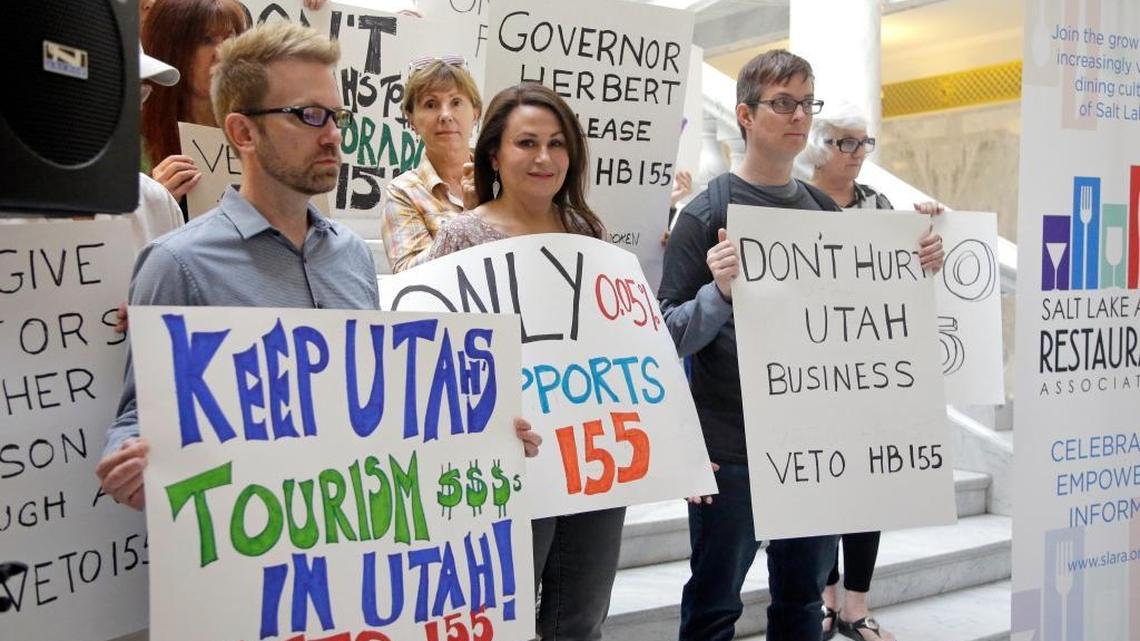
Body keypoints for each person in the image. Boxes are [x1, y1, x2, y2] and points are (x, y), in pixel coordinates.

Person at [95, 23, 541, 511]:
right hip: (251, 535)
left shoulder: (351, 255)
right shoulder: (177, 265)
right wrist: (131, 462)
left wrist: (484, 433)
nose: (332, 136)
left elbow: (382, 403)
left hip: (351, 532)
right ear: (243, 132)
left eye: (335, 115)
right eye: (308, 116)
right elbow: (139, 417)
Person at [658, 50, 945, 641]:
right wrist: (719, 292)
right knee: (713, 606)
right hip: (731, 448)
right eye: (782, 103)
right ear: (744, 115)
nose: (798, 116)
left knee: (801, 604)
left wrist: (915, 267)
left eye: (806, 103)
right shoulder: (706, 212)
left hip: (813, 445)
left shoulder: (823, 213)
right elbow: (665, 335)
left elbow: (857, 321)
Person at [427, 83, 617, 641]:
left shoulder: (588, 232)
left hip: (591, 452)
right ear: (494, 154)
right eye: (527, 142)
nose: (544, 157)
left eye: (557, 144)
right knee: (502, 618)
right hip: (505, 458)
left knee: (582, 617)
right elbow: (435, 358)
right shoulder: (461, 237)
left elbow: (617, 343)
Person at [795, 102, 942, 641]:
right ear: (818, 146)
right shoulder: (793, 201)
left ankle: (856, 605)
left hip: (868, 371)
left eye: (863, 143)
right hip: (809, 371)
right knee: (820, 486)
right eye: (845, 142)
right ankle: (827, 595)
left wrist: (927, 229)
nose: (856, 153)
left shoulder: (878, 204)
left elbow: (902, 273)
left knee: (867, 487)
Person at [381, 56, 482, 272]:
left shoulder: (502, 178)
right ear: (411, 119)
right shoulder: (403, 192)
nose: (445, 115)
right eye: (430, 104)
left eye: (456, 102)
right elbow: (408, 274)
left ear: (476, 113)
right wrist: (470, 219)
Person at [140, 0, 248, 200]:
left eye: (230, 38)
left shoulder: (255, 129)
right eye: (206, 40)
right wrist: (152, 201)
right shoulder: (133, 139)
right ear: (170, 50)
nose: (222, 52)